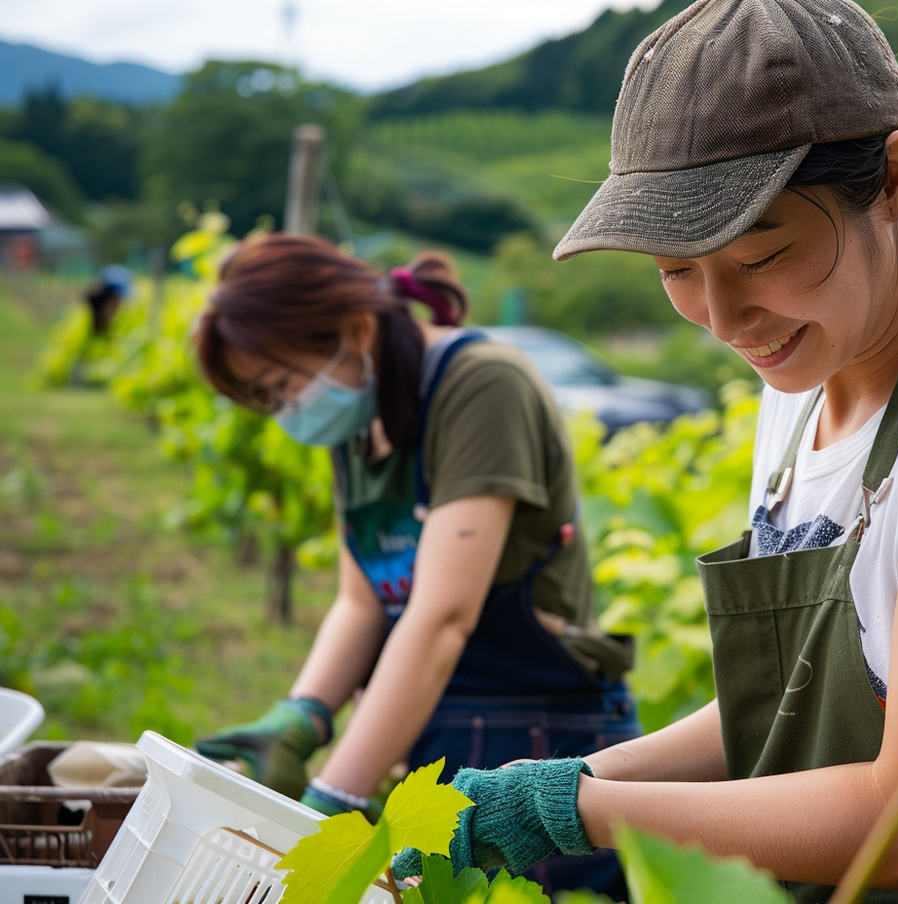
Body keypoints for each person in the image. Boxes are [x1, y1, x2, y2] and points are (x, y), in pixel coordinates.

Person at [391, 2, 898, 904]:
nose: (723, 319)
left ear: (894, 180)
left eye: (761, 257)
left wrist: (580, 809)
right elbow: (791, 702)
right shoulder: (804, 379)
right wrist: (563, 781)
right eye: (675, 271)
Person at [191, 236, 638, 899]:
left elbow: (441, 615)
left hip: (536, 740)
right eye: (269, 400)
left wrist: (333, 799)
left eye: (284, 386)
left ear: (353, 330)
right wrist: (304, 715)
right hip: (437, 722)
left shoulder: (482, 384)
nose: (289, 411)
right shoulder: (361, 419)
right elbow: (362, 601)